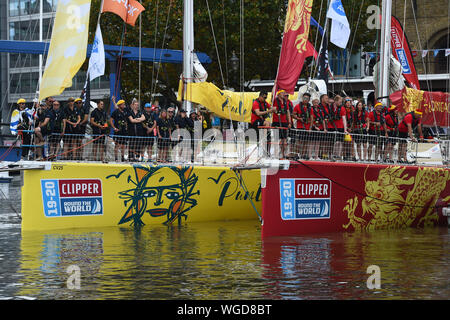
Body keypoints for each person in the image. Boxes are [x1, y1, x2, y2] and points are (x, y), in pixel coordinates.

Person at [272, 90, 292, 159]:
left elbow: (288, 112)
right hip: (276, 121)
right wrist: (275, 84)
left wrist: (289, 122)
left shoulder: (286, 102)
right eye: (282, 93)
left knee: (284, 139)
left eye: (285, 93)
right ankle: (275, 154)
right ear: (278, 94)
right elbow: (272, 95)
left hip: (284, 122)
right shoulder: (275, 100)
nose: (284, 94)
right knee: (276, 139)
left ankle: (283, 154)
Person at [292, 92, 312, 159]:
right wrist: (299, 118)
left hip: (307, 127)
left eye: (307, 98)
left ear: (309, 100)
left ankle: (303, 154)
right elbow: (293, 115)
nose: (305, 99)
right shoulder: (297, 106)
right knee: (299, 141)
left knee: (306, 141)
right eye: (304, 98)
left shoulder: (310, 107)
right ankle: (297, 154)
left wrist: (310, 128)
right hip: (300, 127)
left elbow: (312, 118)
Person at [329, 95, 348, 161]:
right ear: (335, 101)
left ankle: (338, 155)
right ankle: (333, 154)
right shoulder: (330, 107)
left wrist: (345, 129)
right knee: (333, 142)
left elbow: (344, 119)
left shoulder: (342, 108)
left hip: (340, 127)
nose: (340, 103)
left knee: (340, 142)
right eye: (339, 102)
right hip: (332, 126)